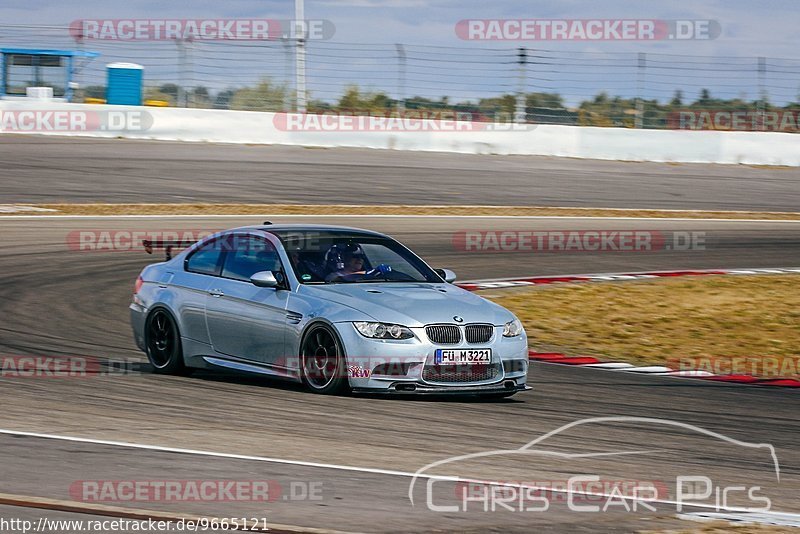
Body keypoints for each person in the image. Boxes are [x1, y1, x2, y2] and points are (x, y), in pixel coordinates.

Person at [324, 243, 391, 282]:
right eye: (354, 256)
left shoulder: (371, 273)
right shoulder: (333, 276)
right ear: (344, 258)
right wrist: (369, 274)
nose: (359, 259)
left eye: (361, 257)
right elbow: (340, 279)